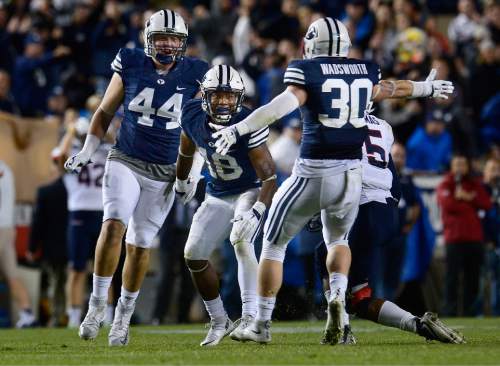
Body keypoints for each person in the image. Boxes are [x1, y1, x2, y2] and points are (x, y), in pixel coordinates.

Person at [211, 17, 454, 344]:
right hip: (350, 178)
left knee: (273, 242)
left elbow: (279, 106)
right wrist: (427, 88)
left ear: (313, 44)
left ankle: (261, 324)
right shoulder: (365, 74)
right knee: (338, 241)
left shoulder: (307, 71)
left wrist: (238, 129)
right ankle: (337, 298)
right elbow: (393, 88)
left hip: (314, 168)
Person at [64, 10, 208, 346]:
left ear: (183, 42)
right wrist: (88, 150)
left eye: (174, 38)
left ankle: (122, 318)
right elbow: (104, 111)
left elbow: (199, 130)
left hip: (165, 171)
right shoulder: (130, 62)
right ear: (148, 39)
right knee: (113, 224)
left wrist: (191, 174)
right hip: (126, 158)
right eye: (162, 37)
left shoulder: (197, 73)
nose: (168, 44)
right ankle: (97, 304)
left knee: (140, 246)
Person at [315, 113, 464, 345]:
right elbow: (393, 178)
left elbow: (331, 168)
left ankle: (341, 326)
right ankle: (419, 324)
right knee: (360, 297)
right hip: (383, 211)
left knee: (324, 255)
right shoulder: (383, 125)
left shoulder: (338, 118)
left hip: (360, 204)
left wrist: (320, 205)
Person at [175, 65, 276, 346]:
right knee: (194, 254)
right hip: (217, 193)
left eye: (229, 96)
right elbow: (186, 148)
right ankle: (219, 320)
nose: (223, 101)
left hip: (249, 190)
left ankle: (250, 316)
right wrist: (182, 179)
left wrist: (258, 210)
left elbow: (269, 177)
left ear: (239, 97)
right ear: (204, 95)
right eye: (217, 95)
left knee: (241, 240)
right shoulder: (192, 114)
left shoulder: (249, 122)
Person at [59, 117, 112, 328]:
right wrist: (71, 130)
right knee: (77, 268)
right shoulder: (72, 151)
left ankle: (107, 314)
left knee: (105, 268)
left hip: (103, 213)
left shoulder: (104, 150)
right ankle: (73, 315)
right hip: (79, 213)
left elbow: (119, 148)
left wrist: (99, 132)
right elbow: (59, 158)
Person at [437, 154, 492, 316]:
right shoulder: (445, 184)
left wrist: (465, 198)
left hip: (474, 239)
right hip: (454, 239)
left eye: (463, 164)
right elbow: (448, 205)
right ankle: (449, 313)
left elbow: (487, 204)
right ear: (452, 167)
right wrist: (469, 201)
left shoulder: (475, 184)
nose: (460, 168)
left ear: (468, 167)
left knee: (472, 279)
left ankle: (470, 313)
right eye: (457, 164)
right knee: (451, 279)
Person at [0, 160, 36, 328]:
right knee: (12, 274)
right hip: (7, 227)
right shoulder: (6, 168)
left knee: (12, 274)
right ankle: (27, 313)